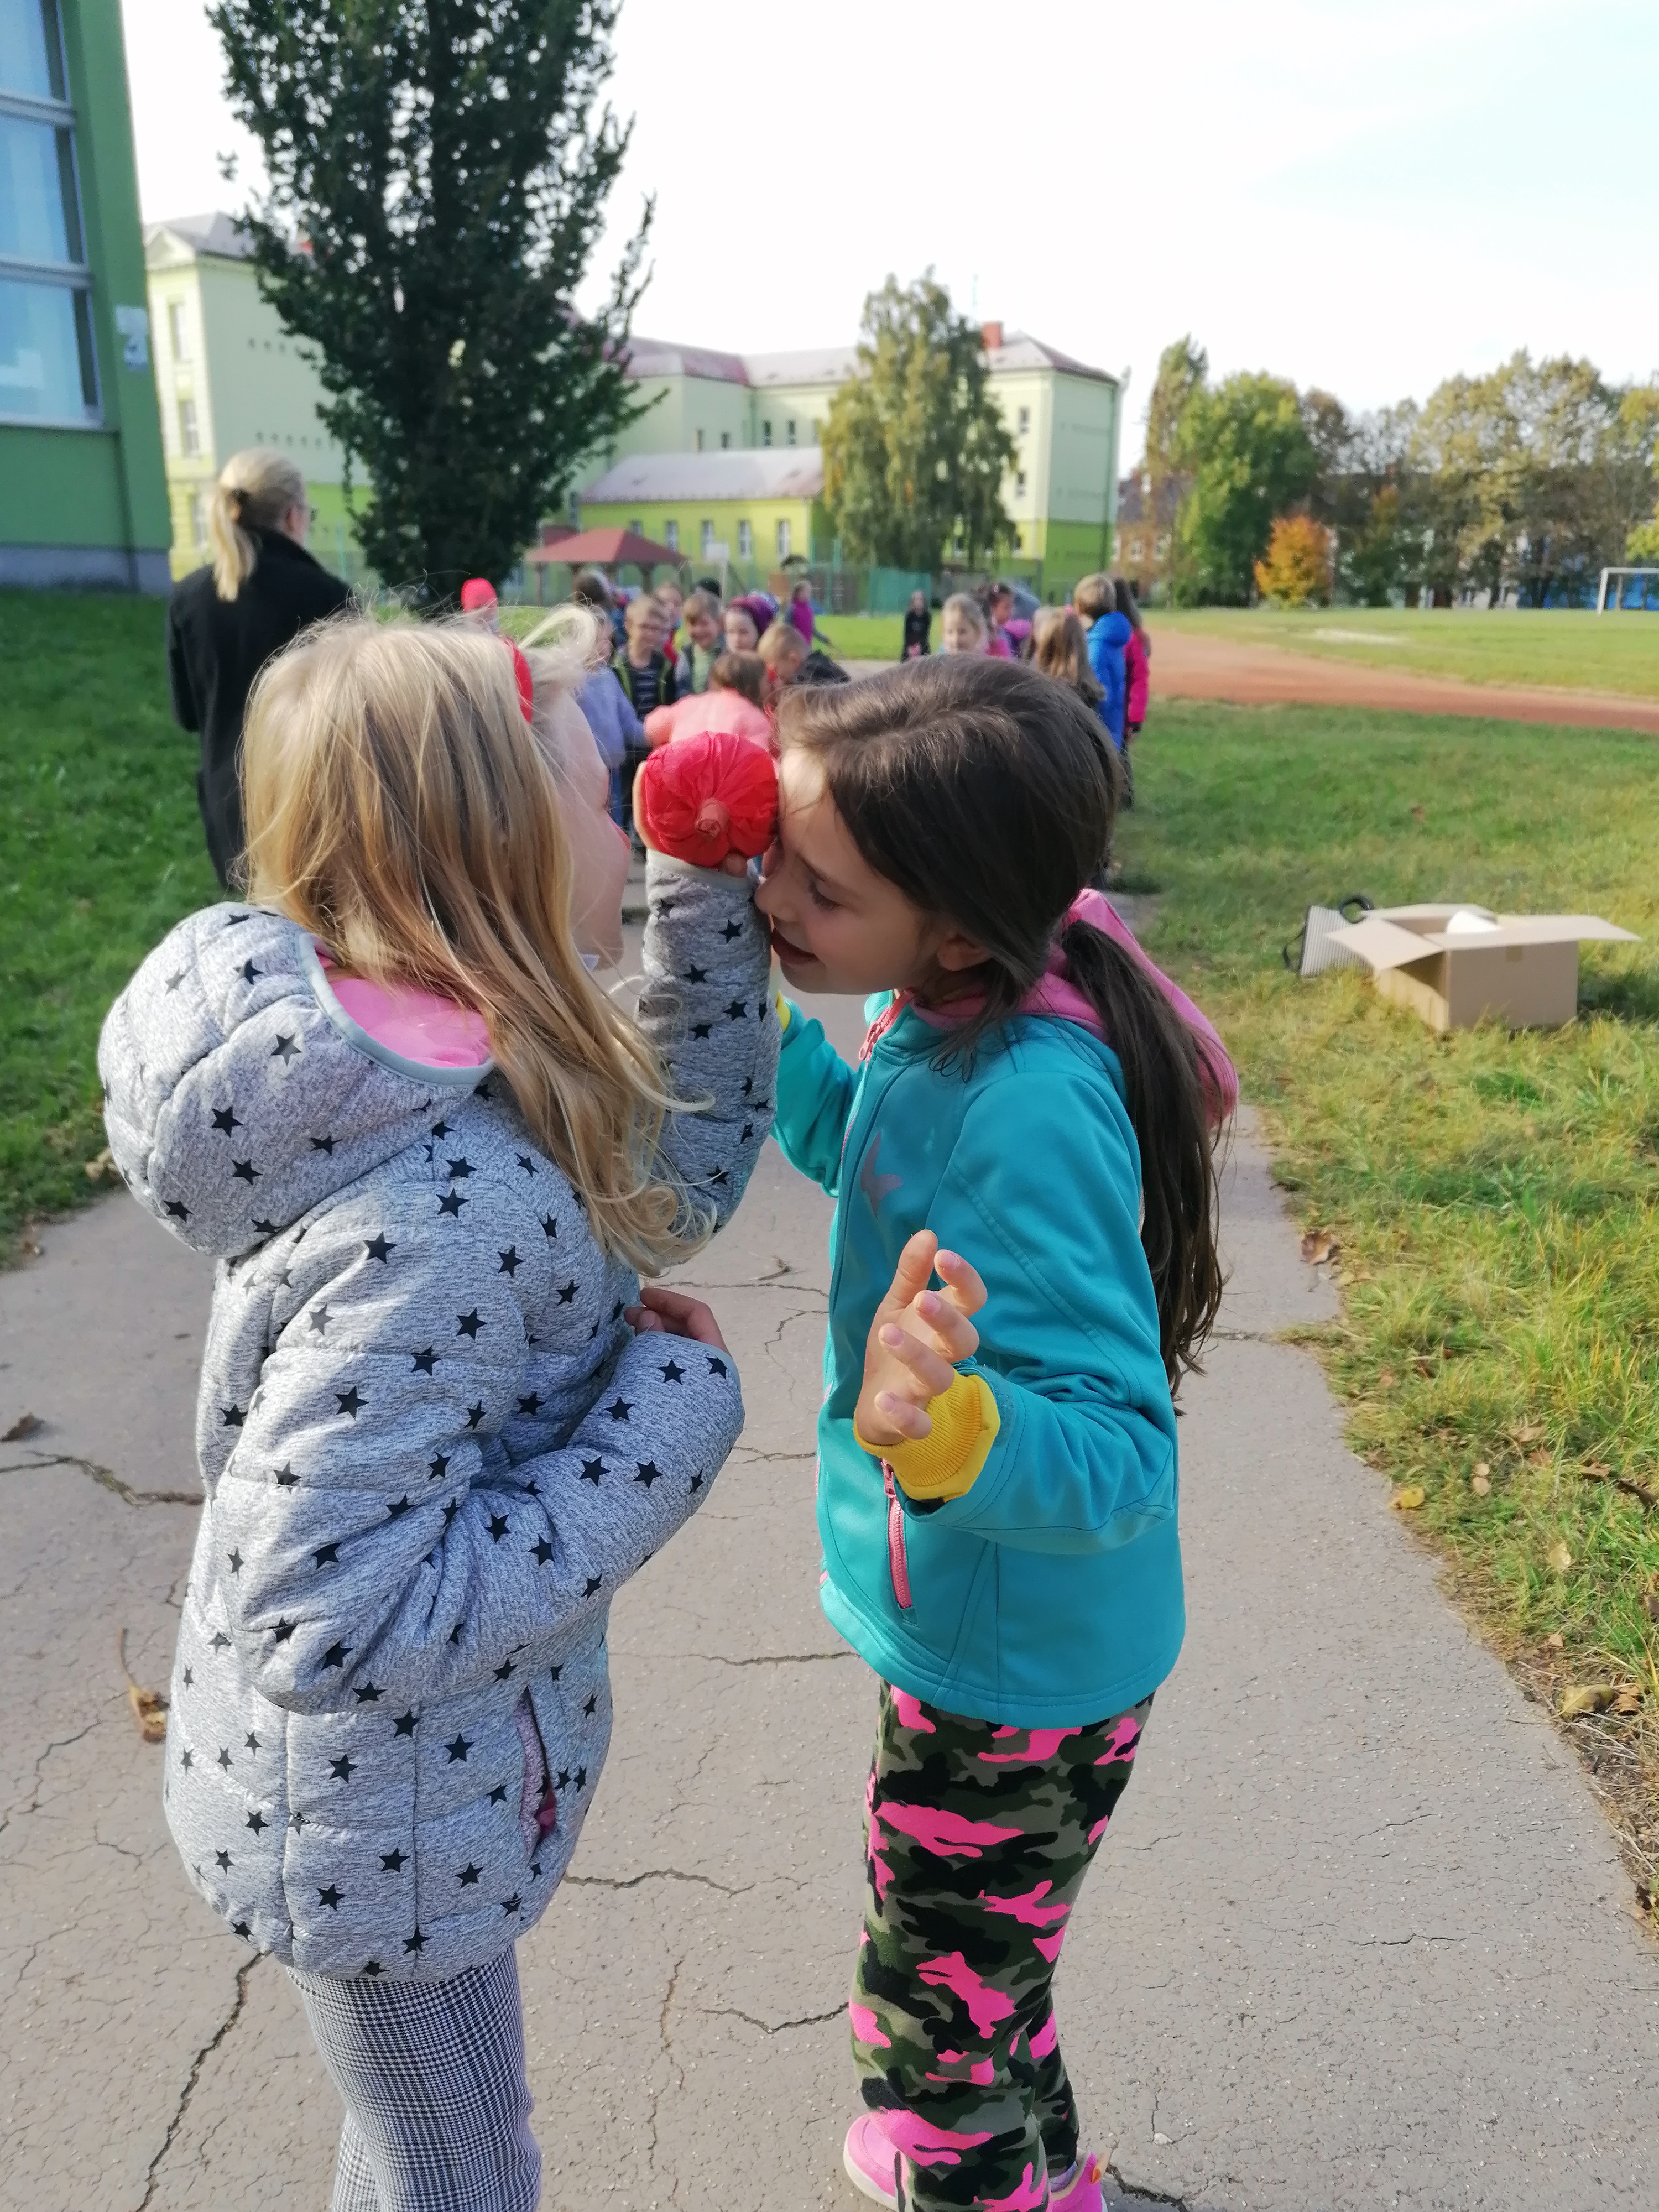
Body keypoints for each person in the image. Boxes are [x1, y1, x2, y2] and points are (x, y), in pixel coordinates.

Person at [100, 613, 778, 2212]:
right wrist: (661, 1426)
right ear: (506, 855)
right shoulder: (434, 1213)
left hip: (406, 1800)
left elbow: (661, 1184)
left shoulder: (439, 1067)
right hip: (375, 1830)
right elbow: (332, 1613)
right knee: (463, 2176)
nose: (621, 824)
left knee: (418, 2156)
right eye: (600, 798)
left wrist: (701, 903)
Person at [754, 656, 1236, 2212]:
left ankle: (982, 2184)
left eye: (817, 890)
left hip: (1020, 1667)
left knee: (928, 2028)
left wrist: (959, 1433)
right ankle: (1053, 2184)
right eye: (775, 855)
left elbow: (1123, 1450)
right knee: (986, 1977)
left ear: (956, 924)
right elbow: (881, 1156)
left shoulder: (1029, 1101)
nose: (770, 897)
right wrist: (757, 1035)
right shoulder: (954, 1003)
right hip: (1005, 1631)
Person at [165, 446, 353, 888]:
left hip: (231, 809)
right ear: (292, 517)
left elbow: (187, 714)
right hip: (311, 803)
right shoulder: (328, 597)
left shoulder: (188, 600)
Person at [613, 592, 680, 844]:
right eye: (645, 627)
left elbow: (670, 704)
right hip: (623, 745)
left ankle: (646, 841)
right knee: (624, 797)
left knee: (650, 796)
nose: (651, 634)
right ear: (629, 626)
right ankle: (622, 840)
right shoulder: (615, 664)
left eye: (657, 629)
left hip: (654, 744)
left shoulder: (665, 666)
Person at [573, 612, 645, 824]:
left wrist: (655, 733)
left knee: (616, 824)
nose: (604, 647)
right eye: (597, 640)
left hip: (613, 770)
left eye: (607, 640)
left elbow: (628, 722)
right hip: (585, 774)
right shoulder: (573, 681)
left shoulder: (609, 677)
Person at [643, 650, 773, 752]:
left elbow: (652, 727)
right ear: (753, 686)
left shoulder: (690, 704)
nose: (771, 685)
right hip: (723, 778)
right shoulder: (754, 718)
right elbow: (761, 761)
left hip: (678, 773)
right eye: (767, 681)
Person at [1073, 573, 1131, 754]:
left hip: (1099, 741)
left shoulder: (1096, 645)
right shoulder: (1110, 638)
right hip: (1112, 734)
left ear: (1079, 607)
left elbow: (1097, 696)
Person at [1114, 576, 1150, 807]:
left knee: (1120, 752)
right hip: (1114, 706)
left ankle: (1123, 798)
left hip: (1121, 710)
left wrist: (1135, 717)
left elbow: (1139, 679)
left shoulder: (1133, 638)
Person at [681, 588, 724, 693]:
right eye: (693, 624)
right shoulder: (687, 653)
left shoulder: (726, 651)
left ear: (719, 624)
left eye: (704, 624)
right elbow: (681, 685)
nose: (698, 630)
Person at [653, 580, 691, 691]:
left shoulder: (689, 633)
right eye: (664, 603)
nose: (671, 608)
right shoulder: (648, 635)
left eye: (677, 604)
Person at [938, 591, 989, 655]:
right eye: (950, 632)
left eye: (962, 632)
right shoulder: (940, 660)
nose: (956, 640)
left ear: (977, 632)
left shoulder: (984, 661)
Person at [984, 580, 1016, 659]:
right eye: (1006, 608)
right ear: (992, 608)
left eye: (1011, 607)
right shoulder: (988, 635)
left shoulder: (1003, 632)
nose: (1011, 612)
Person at [901, 590, 931, 659]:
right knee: (906, 657)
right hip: (910, 644)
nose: (919, 602)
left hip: (922, 644)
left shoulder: (927, 616)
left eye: (921, 600)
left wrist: (920, 646)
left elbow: (925, 635)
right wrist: (910, 648)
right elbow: (907, 634)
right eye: (916, 600)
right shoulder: (909, 615)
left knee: (927, 657)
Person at [786, 578, 816, 646]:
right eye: (808, 592)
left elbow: (812, 629)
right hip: (795, 647)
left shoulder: (810, 610)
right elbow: (786, 629)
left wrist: (823, 638)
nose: (810, 595)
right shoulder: (792, 609)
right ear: (800, 593)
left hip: (807, 647)